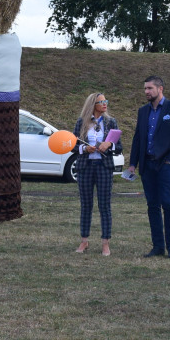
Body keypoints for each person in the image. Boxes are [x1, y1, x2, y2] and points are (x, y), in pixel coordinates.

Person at [127, 76, 170, 258]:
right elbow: (138, 138)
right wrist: (132, 164)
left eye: (150, 88)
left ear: (160, 89)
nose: (146, 92)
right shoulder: (143, 111)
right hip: (147, 165)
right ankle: (158, 246)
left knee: (168, 204)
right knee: (152, 205)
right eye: (145, 88)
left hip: (166, 165)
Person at [72, 93, 121, 256]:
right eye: (102, 102)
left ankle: (105, 243)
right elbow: (72, 146)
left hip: (104, 167)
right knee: (86, 205)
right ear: (93, 104)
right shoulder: (81, 122)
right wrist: (84, 149)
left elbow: (119, 147)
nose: (105, 104)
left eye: (106, 101)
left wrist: (109, 146)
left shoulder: (110, 121)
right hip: (85, 167)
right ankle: (84, 241)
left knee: (104, 205)